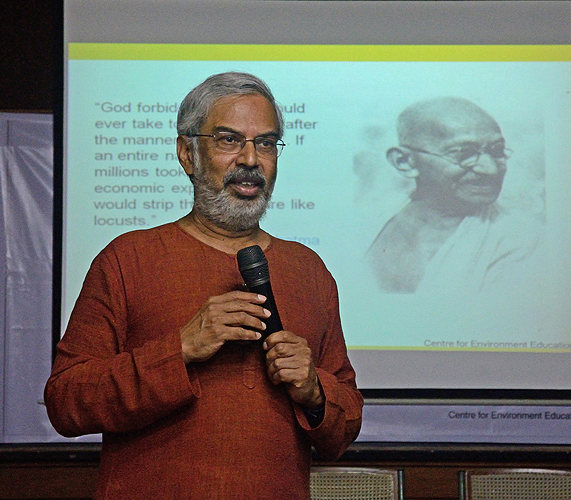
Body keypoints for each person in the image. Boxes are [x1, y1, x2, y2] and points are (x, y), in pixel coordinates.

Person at [44, 72, 363, 499]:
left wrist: (313, 390)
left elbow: (346, 424)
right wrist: (178, 350)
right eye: (229, 140)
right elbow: (66, 402)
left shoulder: (309, 270)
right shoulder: (127, 259)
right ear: (187, 154)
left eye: (266, 143)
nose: (251, 159)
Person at [366, 96, 541, 294]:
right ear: (404, 161)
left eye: (497, 151)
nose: (490, 170)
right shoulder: (366, 223)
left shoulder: (523, 240)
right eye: (464, 154)